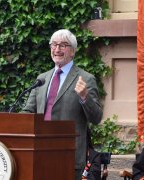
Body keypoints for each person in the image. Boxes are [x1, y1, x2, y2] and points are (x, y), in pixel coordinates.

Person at [22, 29, 103, 180]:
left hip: (69, 155)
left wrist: (85, 96)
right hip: (39, 153)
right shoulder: (42, 79)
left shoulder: (85, 78)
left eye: (63, 45)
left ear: (72, 51)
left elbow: (96, 117)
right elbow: (28, 111)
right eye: (54, 45)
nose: (57, 49)